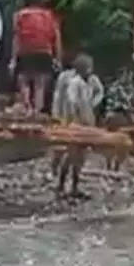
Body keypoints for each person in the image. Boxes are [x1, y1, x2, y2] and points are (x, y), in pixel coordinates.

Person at [51, 54, 104, 198]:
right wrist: (72, 119)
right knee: (72, 154)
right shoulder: (75, 82)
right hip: (76, 121)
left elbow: (100, 92)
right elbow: (72, 101)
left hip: (87, 118)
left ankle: (74, 185)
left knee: (82, 156)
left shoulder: (92, 81)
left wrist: (92, 104)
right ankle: (62, 184)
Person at [10, 0, 62, 116]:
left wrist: (13, 58)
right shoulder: (49, 15)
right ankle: (37, 111)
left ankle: (27, 107)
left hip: (26, 50)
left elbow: (16, 38)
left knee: (23, 80)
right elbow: (56, 38)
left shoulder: (19, 15)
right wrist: (58, 58)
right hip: (44, 51)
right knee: (40, 84)